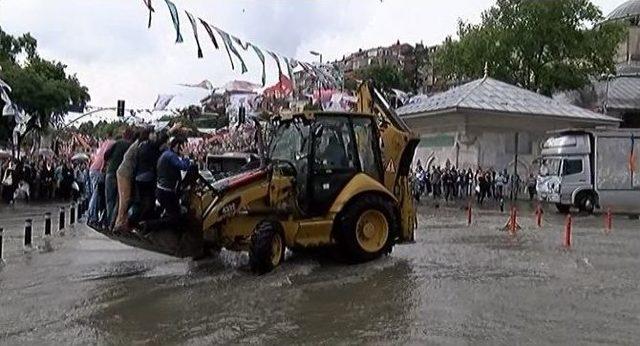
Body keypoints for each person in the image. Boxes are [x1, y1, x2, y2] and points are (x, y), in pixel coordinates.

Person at [155, 137, 192, 230]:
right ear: (176, 146)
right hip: (166, 191)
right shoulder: (171, 156)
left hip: (164, 189)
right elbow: (184, 167)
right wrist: (186, 156)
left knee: (175, 213)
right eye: (183, 147)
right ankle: (148, 226)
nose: (185, 149)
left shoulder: (167, 154)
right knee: (174, 217)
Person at [114, 128, 146, 232]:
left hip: (124, 172)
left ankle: (121, 223)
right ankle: (119, 224)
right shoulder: (138, 146)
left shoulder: (135, 145)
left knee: (124, 200)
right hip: (125, 174)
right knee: (125, 200)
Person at [104, 129, 133, 229]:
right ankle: (113, 223)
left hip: (111, 172)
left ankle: (108, 223)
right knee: (119, 201)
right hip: (122, 176)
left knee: (109, 200)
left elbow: (106, 155)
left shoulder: (119, 143)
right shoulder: (131, 146)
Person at [88, 137, 114, 226]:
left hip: (94, 170)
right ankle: (92, 218)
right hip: (98, 171)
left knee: (96, 195)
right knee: (96, 196)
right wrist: (103, 167)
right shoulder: (112, 144)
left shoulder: (106, 142)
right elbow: (105, 156)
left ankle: (93, 217)